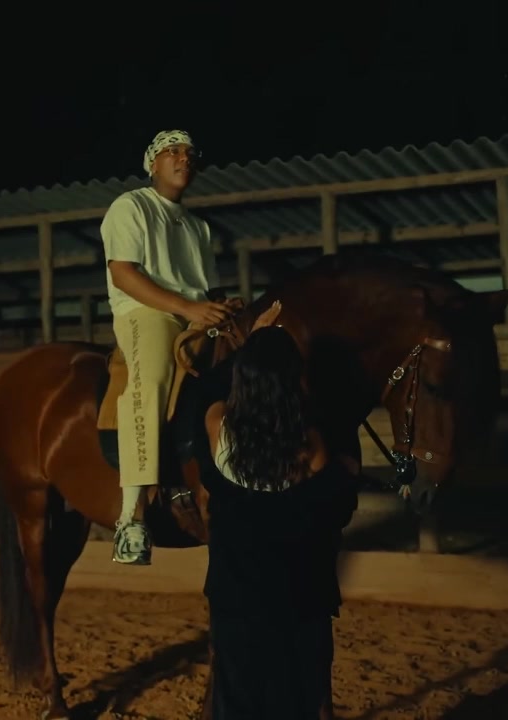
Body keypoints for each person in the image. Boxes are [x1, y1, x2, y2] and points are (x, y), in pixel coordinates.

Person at [193, 308, 360, 719]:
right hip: (299, 600)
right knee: (297, 698)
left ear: (242, 378)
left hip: (236, 598)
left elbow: (206, 390)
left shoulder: (216, 425)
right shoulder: (312, 447)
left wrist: (250, 345)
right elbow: (331, 512)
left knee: (236, 698)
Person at [100, 129, 233, 565]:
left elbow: (208, 289)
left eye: (189, 153)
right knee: (152, 377)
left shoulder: (198, 226)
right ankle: (132, 516)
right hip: (147, 311)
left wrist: (225, 309)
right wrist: (187, 308)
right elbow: (123, 273)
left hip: (195, 314)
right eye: (171, 152)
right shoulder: (131, 206)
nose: (183, 158)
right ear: (152, 164)